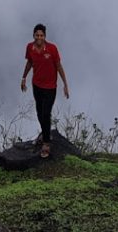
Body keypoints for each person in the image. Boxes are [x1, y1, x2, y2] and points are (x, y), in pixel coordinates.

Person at [20, 23, 69, 158]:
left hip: (50, 87)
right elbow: (29, 62)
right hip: (37, 85)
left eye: (41, 35)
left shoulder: (52, 49)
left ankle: (46, 143)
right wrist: (23, 77)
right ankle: (45, 133)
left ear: (45, 36)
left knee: (46, 113)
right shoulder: (30, 47)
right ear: (34, 35)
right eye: (37, 35)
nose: (39, 37)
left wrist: (65, 84)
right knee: (39, 113)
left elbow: (58, 66)